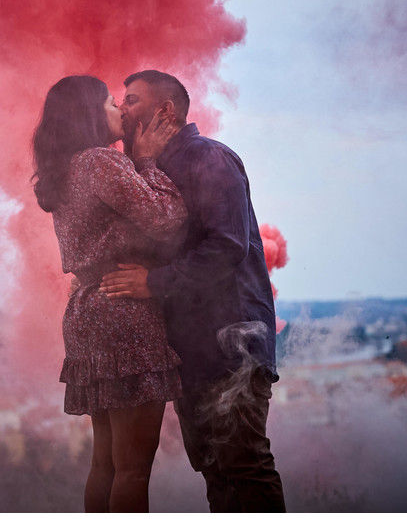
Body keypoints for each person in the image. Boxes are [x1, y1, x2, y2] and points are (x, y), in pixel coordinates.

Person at [100, 70, 287, 513]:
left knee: (243, 465)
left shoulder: (208, 157)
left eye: (132, 100)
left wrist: (152, 282)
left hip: (230, 343)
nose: (121, 109)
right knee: (216, 471)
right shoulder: (151, 168)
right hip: (193, 350)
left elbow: (227, 245)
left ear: (166, 110)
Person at [32, 75, 187, 513]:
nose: (120, 110)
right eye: (110, 103)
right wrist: (148, 162)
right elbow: (167, 218)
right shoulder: (102, 162)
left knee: (105, 463)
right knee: (134, 467)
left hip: (87, 311)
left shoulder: (65, 170)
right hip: (125, 314)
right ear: (88, 115)